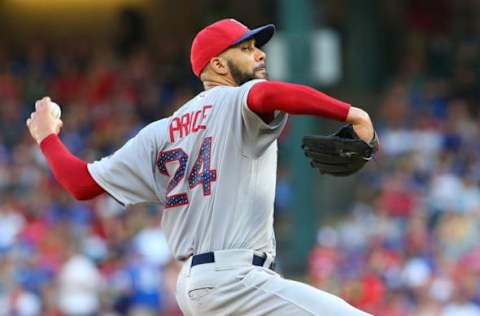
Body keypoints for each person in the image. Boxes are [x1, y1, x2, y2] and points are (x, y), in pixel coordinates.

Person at [27, 18, 374, 316]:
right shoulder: (237, 99)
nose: (260, 53)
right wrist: (352, 113)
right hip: (235, 279)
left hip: (195, 287)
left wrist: (47, 138)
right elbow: (267, 95)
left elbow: (80, 183)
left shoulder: (159, 132)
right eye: (248, 48)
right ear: (219, 65)